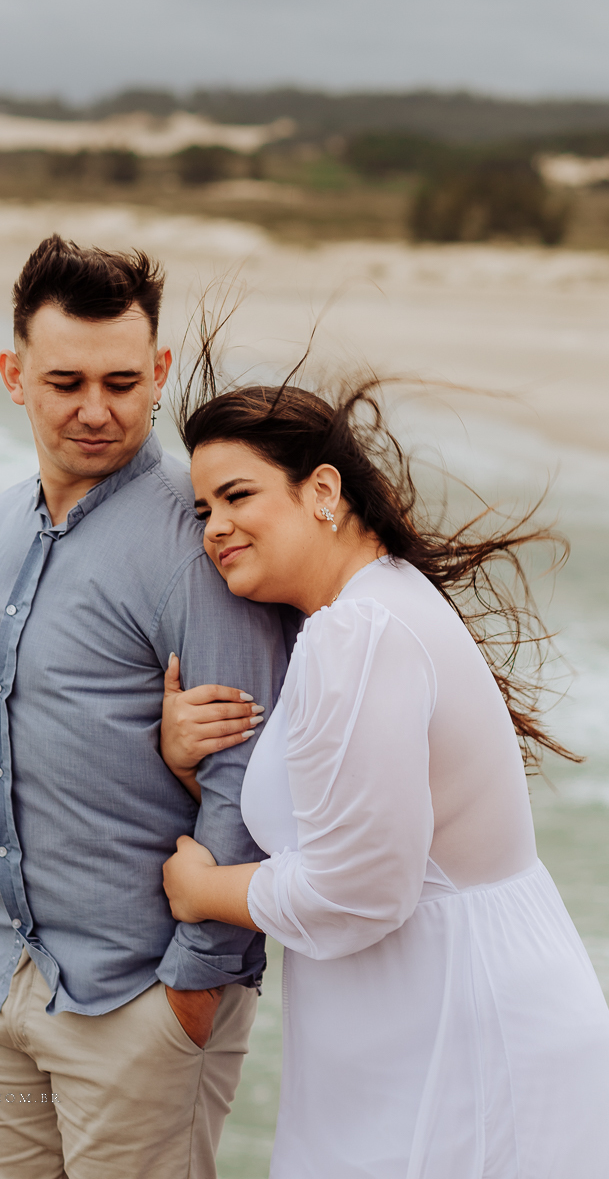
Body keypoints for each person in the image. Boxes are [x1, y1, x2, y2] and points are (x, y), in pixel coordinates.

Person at [159, 376, 609, 1178]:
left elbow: (359, 886)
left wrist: (204, 892)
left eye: (236, 496)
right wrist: (188, 763)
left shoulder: (358, 631)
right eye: (202, 510)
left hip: (456, 1037)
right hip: (436, 1022)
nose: (215, 528)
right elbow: (339, 818)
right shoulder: (374, 606)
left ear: (321, 491)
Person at [0, 236, 292, 1179]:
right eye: (65, 382)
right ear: (15, 376)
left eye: (123, 382)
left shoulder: (197, 544)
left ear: (160, 373)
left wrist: (190, 991)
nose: (96, 410)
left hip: (137, 1000)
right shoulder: (1, 520)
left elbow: (246, 775)